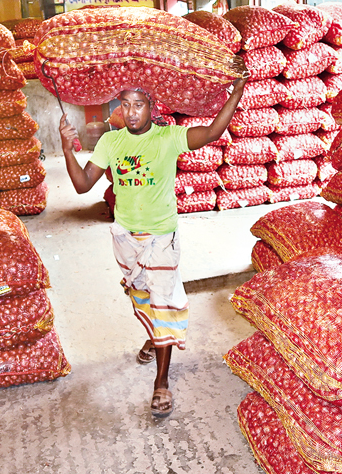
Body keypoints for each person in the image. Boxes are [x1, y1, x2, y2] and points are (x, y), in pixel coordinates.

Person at [58, 79, 246, 417]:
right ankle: (155, 337)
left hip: (161, 237)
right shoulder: (111, 142)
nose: (131, 112)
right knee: (142, 296)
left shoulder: (167, 138)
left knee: (163, 303)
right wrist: (67, 148)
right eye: (125, 105)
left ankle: (161, 382)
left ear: (151, 107)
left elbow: (212, 132)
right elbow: (83, 185)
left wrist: (236, 93)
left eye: (138, 104)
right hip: (126, 239)